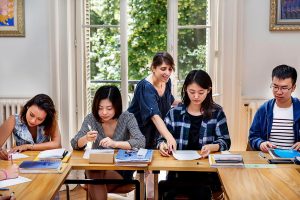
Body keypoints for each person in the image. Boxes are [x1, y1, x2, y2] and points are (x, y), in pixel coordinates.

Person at [158, 70, 231, 199]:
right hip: (177, 172)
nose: (196, 96)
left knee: (202, 192)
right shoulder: (174, 113)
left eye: (201, 92)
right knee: (166, 191)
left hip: (206, 174)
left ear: (208, 90)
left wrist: (212, 147)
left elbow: (225, 141)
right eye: (192, 92)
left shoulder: (217, 112)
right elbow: (161, 139)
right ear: (185, 89)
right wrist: (162, 145)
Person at [70, 85, 145, 200]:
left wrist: (115, 144)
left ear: (117, 106)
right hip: (96, 168)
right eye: (100, 108)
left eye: (109, 108)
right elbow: (74, 143)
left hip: (121, 171)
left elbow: (140, 141)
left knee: (93, 180)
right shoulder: (91, 119)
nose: (104, 112)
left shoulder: (127, 117)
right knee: (95, 171)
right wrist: (85, 138)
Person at [128, 51, 177, 151]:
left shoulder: (167, 82)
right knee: (141, 164)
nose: (167, 73)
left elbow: (170, 100)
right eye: (163, 69)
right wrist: (169, 137)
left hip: (154, 132)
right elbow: (154, 116)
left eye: (170, 69)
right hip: (138, 132)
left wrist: (191, 102)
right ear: (153, 68)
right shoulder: (146, 87)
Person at [249, 64, 300, 152]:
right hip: (269, 159)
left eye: (284, 88)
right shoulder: (264, 109)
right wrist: (261, 144)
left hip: (294, 161)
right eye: (275, 87)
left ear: (293, 88)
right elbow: (253, 137)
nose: (279, 92)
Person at [0, 94, 62, 158]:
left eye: (39, 119)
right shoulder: (13, 120)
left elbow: (57, 144)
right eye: (31, 115)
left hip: (44, 163)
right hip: (20, 163)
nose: (33, 121)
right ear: (28, 107)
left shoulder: (50, 121)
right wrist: (1, 153)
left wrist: (28, 146)